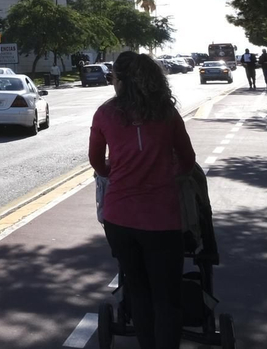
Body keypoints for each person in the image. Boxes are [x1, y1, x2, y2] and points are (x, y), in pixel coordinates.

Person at [89, 52, 197, 349]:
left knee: (138, 291)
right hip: (161, 218)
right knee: (166, 297)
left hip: (119, 217)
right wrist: (170, 174)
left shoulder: (105, 113)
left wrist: (115, 172)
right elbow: (188, 161)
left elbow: (96, 161)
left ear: (120, 80)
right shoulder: (166, 113)